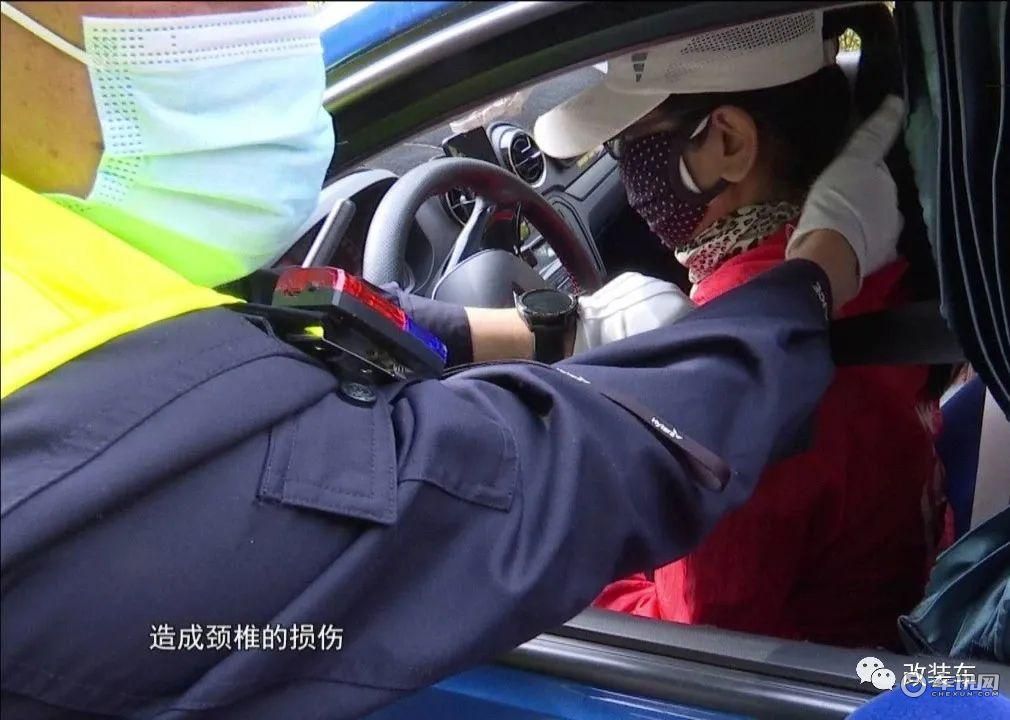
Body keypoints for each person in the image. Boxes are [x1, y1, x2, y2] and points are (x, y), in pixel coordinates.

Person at [1, 3, 904, 718]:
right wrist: (813, 277)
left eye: (632, 142)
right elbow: (549, 479)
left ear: (731, 145)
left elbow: (691, 618)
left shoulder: (43, 276)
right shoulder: (877, 292)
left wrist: (552, 337)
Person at [532, 14, 945, 648]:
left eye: (631, 142)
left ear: (728, 142)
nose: (627, 168)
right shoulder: (866, 264)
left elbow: (686, 641)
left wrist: (563, 537)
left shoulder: (742, 392)